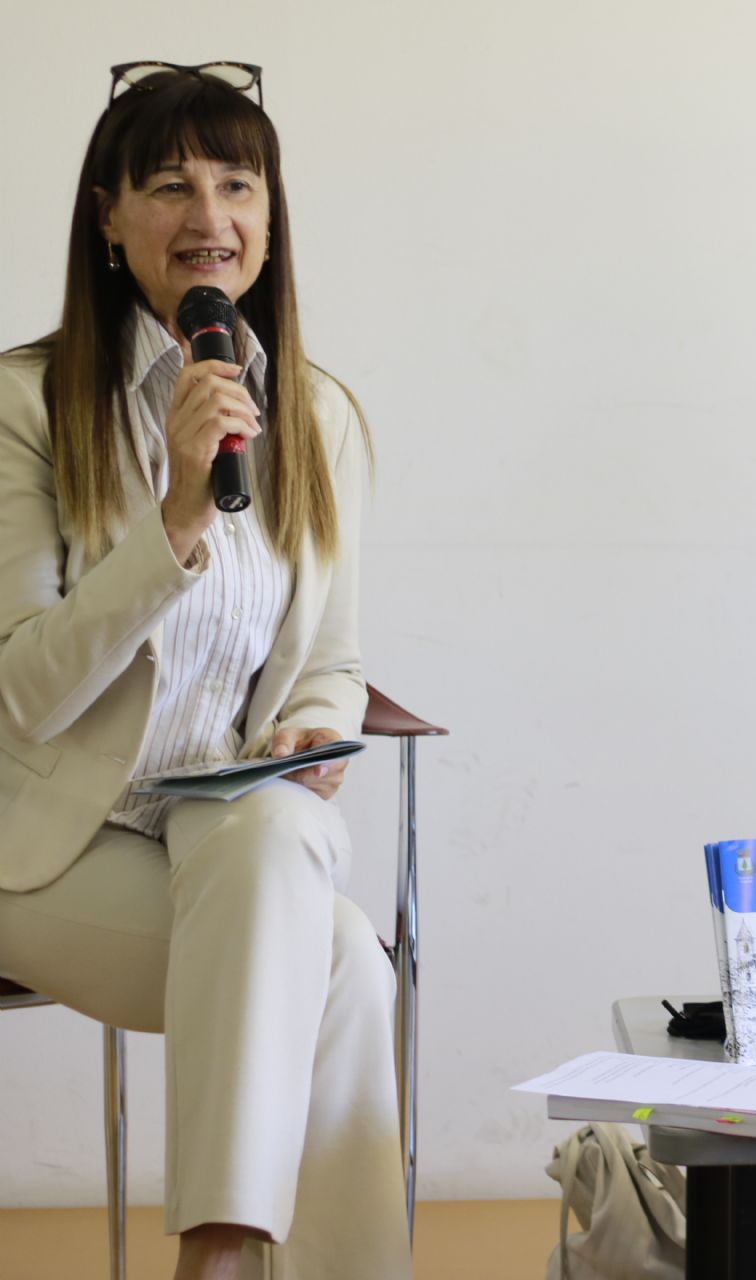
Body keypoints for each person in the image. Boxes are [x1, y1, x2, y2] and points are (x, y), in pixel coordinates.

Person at [0, 64, 410, 1280]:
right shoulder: (25, 405)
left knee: (274, 835)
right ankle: (224, 1255)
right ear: (109, 216)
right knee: (342, 965)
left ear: (271, 219)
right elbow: (26, 690)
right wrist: (177, 513)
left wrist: (310, 731)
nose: (209, 215)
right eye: (170, 185)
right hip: (42, 841)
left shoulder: (319, 415)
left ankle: (217, 1255)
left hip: (223, 828)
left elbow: (331, 661)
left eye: (238, 184)